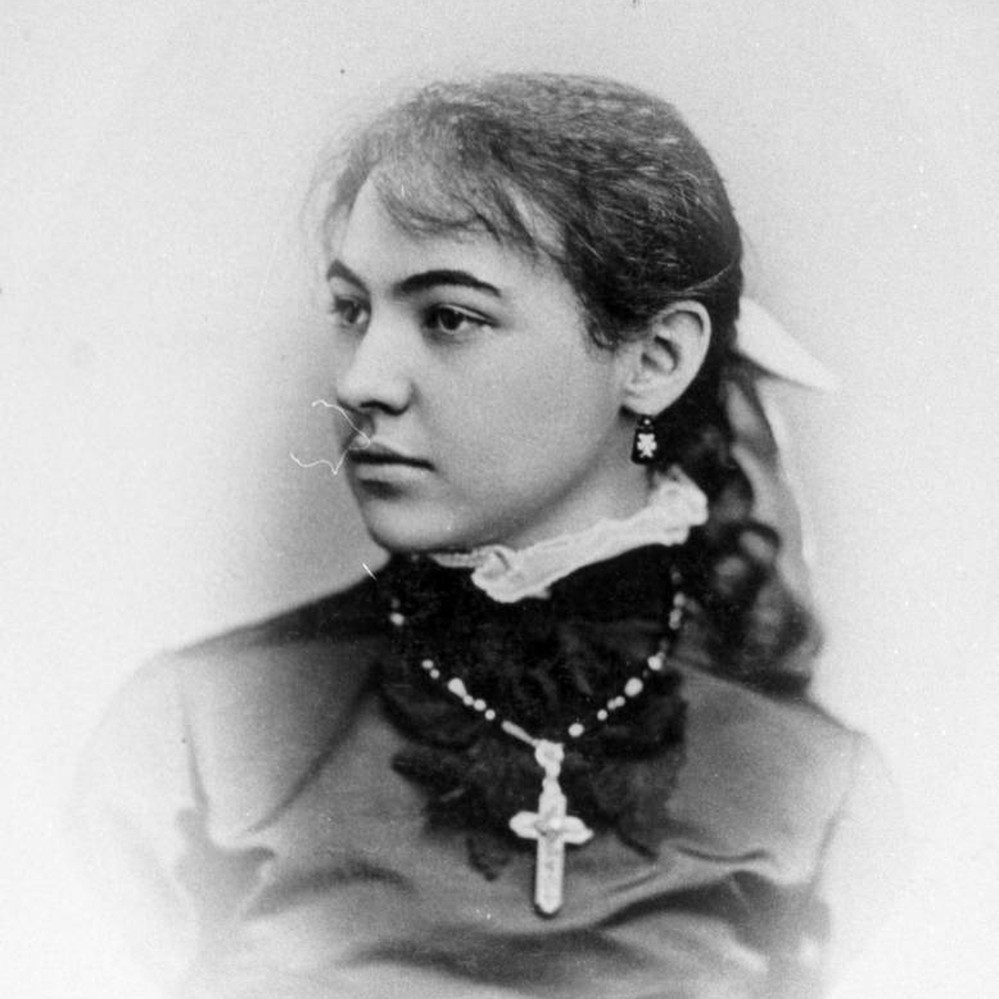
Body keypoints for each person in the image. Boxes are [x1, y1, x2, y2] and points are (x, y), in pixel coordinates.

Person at [70, 73, 901, 998]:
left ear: (655, 358)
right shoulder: (194, 738)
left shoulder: (822, 796)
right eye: (352, 311)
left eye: (448, 317)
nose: (360, 381)